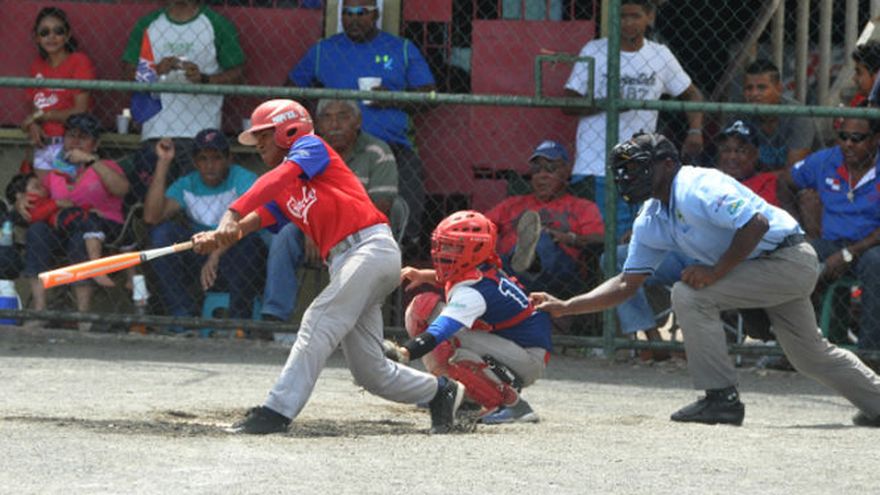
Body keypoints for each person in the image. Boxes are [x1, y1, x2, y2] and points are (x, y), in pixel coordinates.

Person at [531, 132, 880, 427]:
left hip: (788, 259)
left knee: (690, 295)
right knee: (809, 356)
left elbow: (756, 224)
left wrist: (716, 272)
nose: (629, 176)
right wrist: (567, 306)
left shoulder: (697, 185)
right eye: (626, 170)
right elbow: (626, 283)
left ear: (669, 164)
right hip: (763, 268)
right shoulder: (652, 216)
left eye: (639, 167)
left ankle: (721, 398)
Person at [190, 99, 465, 435]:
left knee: (318, 320)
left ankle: (276, 412)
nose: (258, 143)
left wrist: (230, 214)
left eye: (264, 134)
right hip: (347, 262)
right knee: (370, 372)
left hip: (368, 248)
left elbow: (273, 182)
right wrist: (219, 237)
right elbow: (260, 216)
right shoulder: (288, 185)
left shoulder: (311, 147)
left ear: (289, 130)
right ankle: (439, 392)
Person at [287, 0, 435, 251]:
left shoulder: (401, 48)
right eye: (347, 12)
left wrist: (392, 98)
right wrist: (316, 113)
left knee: (409, 178)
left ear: (376, 14)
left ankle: (404, 247)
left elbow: (429, 96)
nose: (354, 18)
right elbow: (291, 89)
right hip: (336, 147)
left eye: (361, 12)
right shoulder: (324, 50)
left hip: (392, 145)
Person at [384, 210, 552, 424]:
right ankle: (463, 394)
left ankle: (513, 406)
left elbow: (442, 329)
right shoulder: (483, 269)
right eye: (442, 245)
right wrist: (424, 275)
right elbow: (454, 279)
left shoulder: (474, 292)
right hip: (515, 347)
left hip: (526, 358)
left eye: (453, 246)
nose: (443, 252)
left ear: (476, 249)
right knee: (426, 308)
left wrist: (404, 353)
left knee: (447, 331)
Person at [563, 0, 704, 238]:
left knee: (635, 238)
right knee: (598, 238)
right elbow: (568, 102)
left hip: (639, 167)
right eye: (622, 16)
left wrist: (695, 130)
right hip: (595, 166)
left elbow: (692, 94)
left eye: (635, 16)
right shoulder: (595, 51)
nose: (628, 22)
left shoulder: (659, 55)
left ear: (649, 18)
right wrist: (607, 103)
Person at [260, 98, 400, 326]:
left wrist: (327, 230)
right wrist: (312, 231)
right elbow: (296, 197)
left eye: (343, 116)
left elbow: (381, 205)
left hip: (361, 233)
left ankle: (342, 325)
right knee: (284, 235)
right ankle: (273, 317)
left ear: (357, 121)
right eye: (327, 117)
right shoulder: (308, 150)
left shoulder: (377, 151)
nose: (335, 124)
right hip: (312, 226)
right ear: (318, 124)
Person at [121, 0, 245, 203]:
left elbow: (238, 73)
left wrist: (204, 79)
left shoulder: (215, 24)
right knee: (151, 202)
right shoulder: (149, 24)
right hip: (156, 129)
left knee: (195, 204)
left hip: (201, 134)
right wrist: (155, 70)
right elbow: (127, 73)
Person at [142, 129, 265, 329]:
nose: (209, 165)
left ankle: (239, 324)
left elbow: (247, 222)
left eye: (216, 158)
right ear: (195, 162)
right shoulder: (188, 183)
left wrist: (215, 254)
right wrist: (163, 163)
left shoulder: (242, 178)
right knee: (162, 234)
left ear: (229, 159)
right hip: (200, 253)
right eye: (203, 159)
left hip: (235, 253)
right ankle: (182, 318)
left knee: (249, 243)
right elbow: (151, 216)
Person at [777, 112, 880, 350]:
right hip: (832, 242)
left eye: (857, 138)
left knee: (876, 264)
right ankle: (797, 348)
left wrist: (848, 254)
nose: (848, 144)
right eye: (843, 136)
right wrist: (798, 228)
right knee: (800, 255)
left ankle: (870, 353)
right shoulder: (826, 160)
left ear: (876, 139)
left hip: (872, 245)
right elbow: (785, 182)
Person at [16, 114, 130, 320]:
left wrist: (91, 161)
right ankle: (39, 311)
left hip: (102, 230)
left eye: (83, 137)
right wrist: (21, 199)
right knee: (37, 231)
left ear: (96, 144)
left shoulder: (105, 166)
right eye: (71, 136)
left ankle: (82, 316)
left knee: (80, 238)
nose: (75, 142)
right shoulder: (56, 172)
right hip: (63, 229)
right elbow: (37, 194)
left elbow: (122, 189)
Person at [485, 140, 604, 297]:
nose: (542, 175)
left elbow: (600, 239)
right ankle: (520, 261)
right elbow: (483, 226)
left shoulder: (581, 206)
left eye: (550, 168)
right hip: (508, 266)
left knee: (542, 239)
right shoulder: (512, 204)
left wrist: (567, 238)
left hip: (561, 273)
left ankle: (527, 257)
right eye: (536, 170)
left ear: (566, 172)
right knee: (493, 261)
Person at [22, 7, 95, 179]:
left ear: (67, 35)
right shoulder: (37, 66)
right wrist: (34, 125)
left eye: (58, 31)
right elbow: (34, 107)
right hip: (42, 144)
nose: (51, 37)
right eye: (44, 32)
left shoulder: (79, 61)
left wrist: (44, 116)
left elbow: (80, 111)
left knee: (65, 193)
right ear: (37, 38)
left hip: (70, 145)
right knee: (42, 191)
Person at [7, 173, 113, 288]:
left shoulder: (48, 195)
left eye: (41, 185)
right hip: (52, 239)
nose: (43, 188)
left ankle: (93, 273)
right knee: (37, 229)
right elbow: (33, 216)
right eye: (37, 187)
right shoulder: (30, 203)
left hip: (76, 231)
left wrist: (86, 209)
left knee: (80, 236)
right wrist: (56, 203)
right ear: (21, 195)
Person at [734, 59, 816, 172]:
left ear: (778, 89)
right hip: (756, 178)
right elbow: (730, 162)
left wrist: (758, 180)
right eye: (749, 88)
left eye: (761, 87)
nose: (754, 94)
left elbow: (794, 171)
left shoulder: (798, 116)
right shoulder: (742, 113)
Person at [716, 120, 779, 206]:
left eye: (741, 150)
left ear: (755, 154)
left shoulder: (766, 182)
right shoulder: (712, 181)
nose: (732, 156)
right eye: (726, 150)